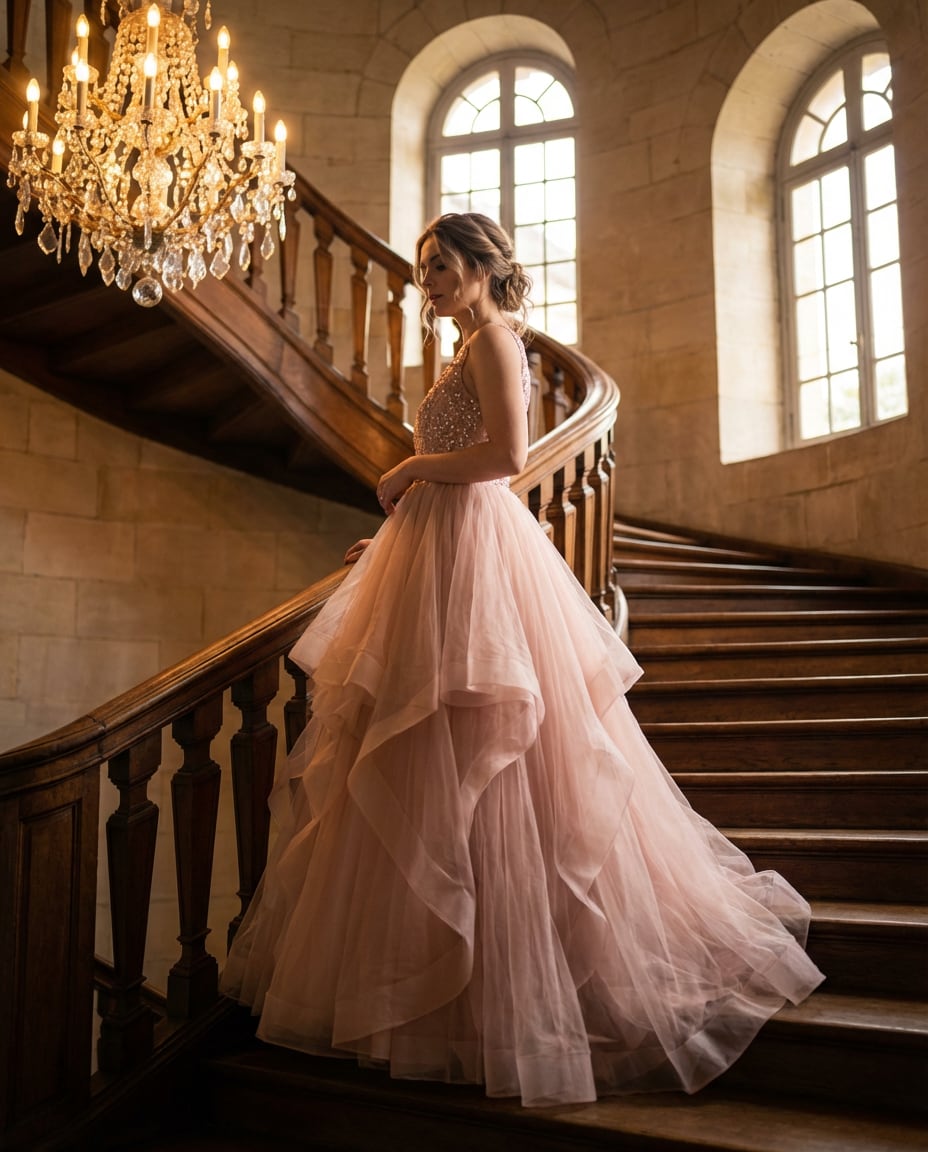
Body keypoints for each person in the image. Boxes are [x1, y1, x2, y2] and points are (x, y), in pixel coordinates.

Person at [219, 212, 824, 1107]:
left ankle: (511, 1005)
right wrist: (392, 538)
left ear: (480, 268)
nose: (424, 279)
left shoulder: (499, 341)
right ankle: (434, 1007)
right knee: (425, 764)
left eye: (438, 266)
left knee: (491, 764)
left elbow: (503, 457)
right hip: (440, 547)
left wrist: (409, 474)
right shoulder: (467, 346)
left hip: (477, 550)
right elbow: (469, 465)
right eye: (422, 266)